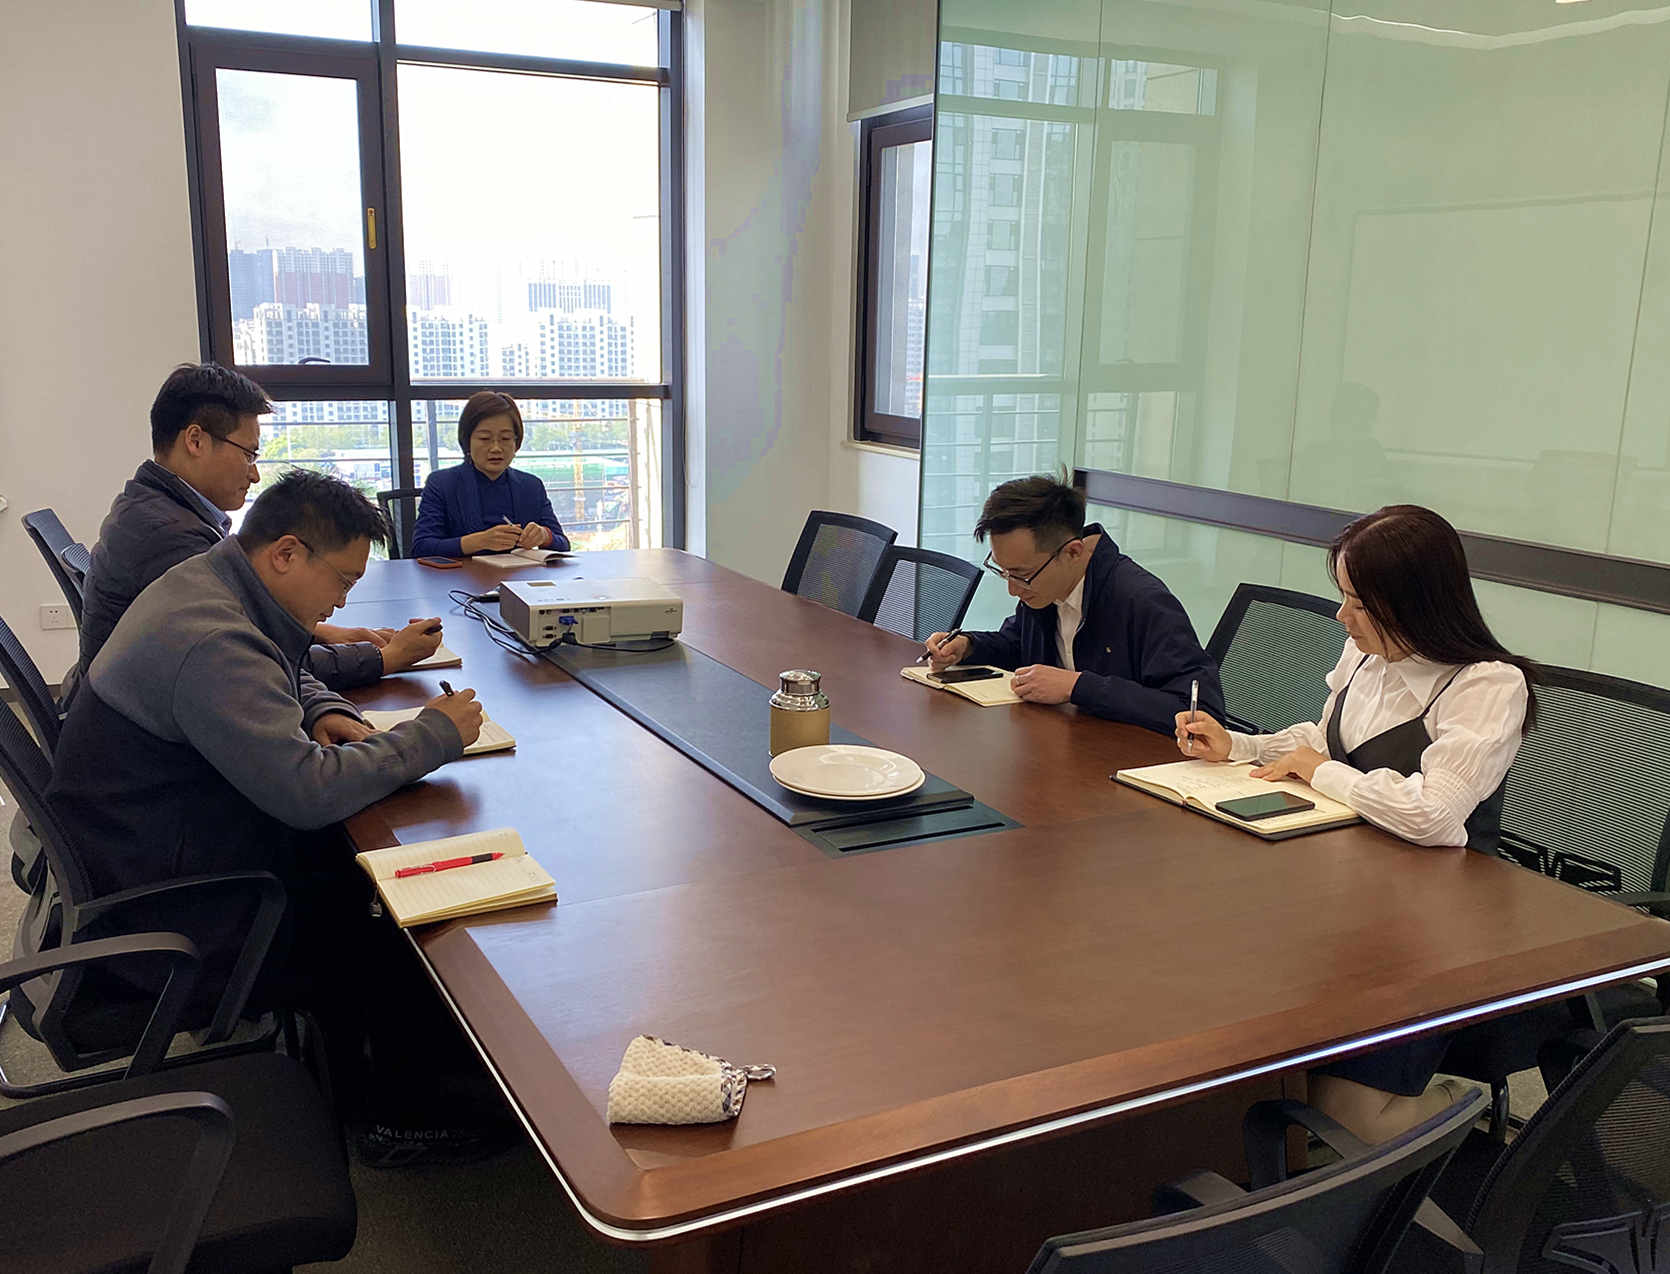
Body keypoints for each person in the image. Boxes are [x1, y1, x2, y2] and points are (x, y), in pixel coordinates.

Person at [1175, 504, 1537, 1143]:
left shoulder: (1486, 685)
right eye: (1343, 596)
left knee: (1351, 1115)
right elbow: (1325, 740)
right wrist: (1238, 747)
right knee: (1233, 1015)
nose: (1343, 616)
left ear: (1417, 603)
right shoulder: (1365, 654)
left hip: (1433, 925)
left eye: (1360, 604)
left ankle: (1471, 1113)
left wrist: (1321, 772)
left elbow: (1433, 815)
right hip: (1347, 893)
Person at [45, 469, 485, 976]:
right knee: (398, 928)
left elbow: (279, 661)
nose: (342, 601)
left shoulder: (212, 579)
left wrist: (322, 708)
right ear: (286, 554)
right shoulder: (213, 640)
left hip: (159, 842)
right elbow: (309, 791)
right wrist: (435, 734)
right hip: (174, 911)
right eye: (343, 581)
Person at [74, 363, 443, 700]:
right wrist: (384, 659)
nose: (254, 474)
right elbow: (260, 663)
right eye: (248, 454)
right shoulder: (170, 538)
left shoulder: (152, 506)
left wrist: (327, 634)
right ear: (196, 441)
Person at [922, 473, 1223, 735]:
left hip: (1128, 763)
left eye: (1022, 575)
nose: (1013, 590)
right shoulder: (1043, 586)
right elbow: (1018, 645)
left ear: (1073, 552)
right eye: (1004, 572)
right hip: (1063, 744)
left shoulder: (1141, 600)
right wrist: (968, 646)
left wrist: (1077, 687)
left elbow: (1201, 712)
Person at [410, 391, 570, 558]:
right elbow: (421, 547)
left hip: (518, 573)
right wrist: (479, 541)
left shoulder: (531, 486)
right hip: (463, 574)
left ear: (516, 442)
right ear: (467, 441)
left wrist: (544, 536)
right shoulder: (442, 483)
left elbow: (563, 545)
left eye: (505, 438)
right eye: (485, 439)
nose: (496, 448)